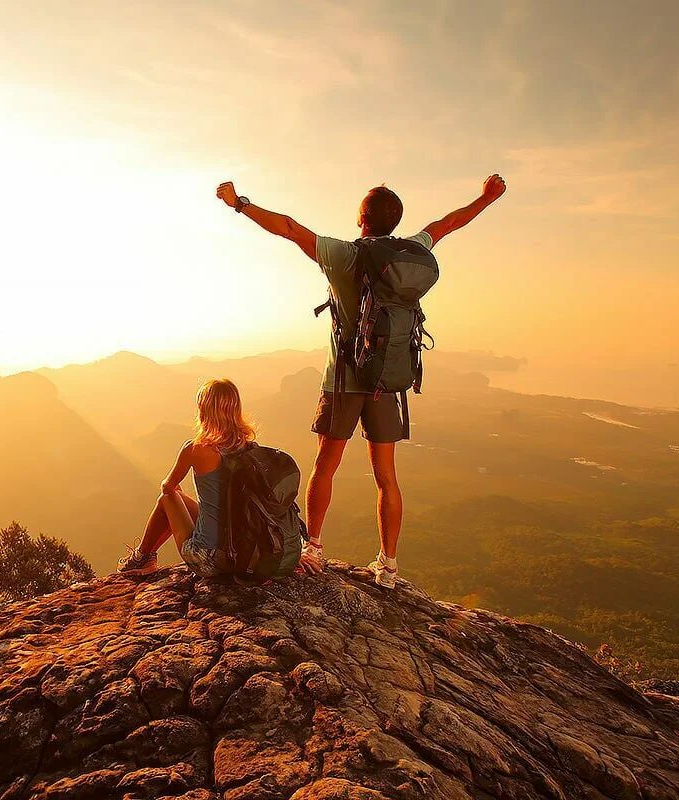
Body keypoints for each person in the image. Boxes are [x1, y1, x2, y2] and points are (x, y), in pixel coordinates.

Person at [214, 175, 507, 587]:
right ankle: (388, 565)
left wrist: (240, 204)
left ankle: (313, 548)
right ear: (396, 221)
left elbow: (290, 228)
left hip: (344, 381)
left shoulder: (343, 254)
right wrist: (487, 198)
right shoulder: (411, 254)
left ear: (360, 219)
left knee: (326, 465)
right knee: (386, 476)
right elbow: (448, 223)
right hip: (387, 380)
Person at [118, 378, 257, 577]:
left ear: (204, 411)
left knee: (167, 497)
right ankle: (143, 557)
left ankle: (141, 558)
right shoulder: (249, 448)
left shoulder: (195, 449)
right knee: (179, 498)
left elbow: (167, 487)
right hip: (241, 556)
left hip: (207, 561)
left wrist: (175, 494)